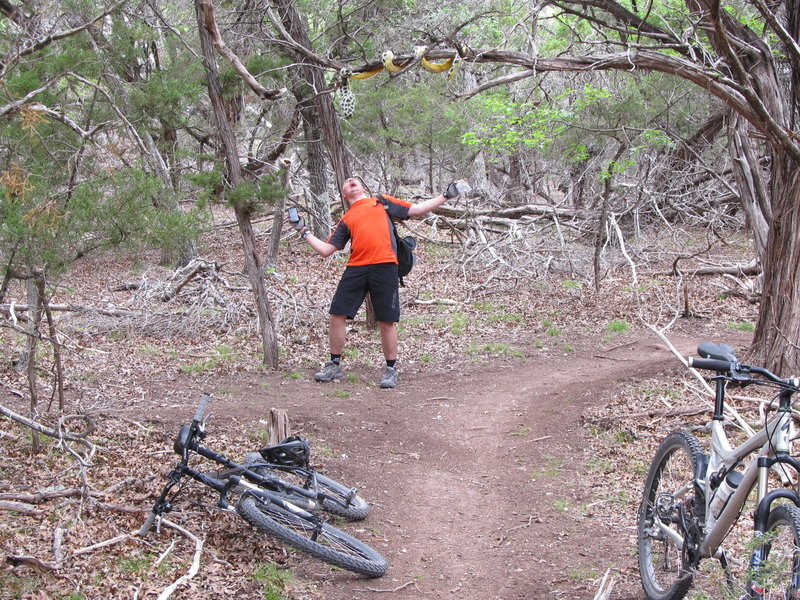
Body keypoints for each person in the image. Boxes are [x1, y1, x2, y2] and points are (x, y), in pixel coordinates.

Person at [291, 176, 467, 389]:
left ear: (363, 187)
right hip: (356, 267)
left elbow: (418, 209)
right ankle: (334, 365)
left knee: (386, 321)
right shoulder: (346, 218)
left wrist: (447, 194)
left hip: (385, 266)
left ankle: (391, 370)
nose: (351, 181)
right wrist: (303, 230)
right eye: (347, 182)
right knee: (336, 314)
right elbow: (326, 250)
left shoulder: (381, 202)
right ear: (344, 195)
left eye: (355, 180)